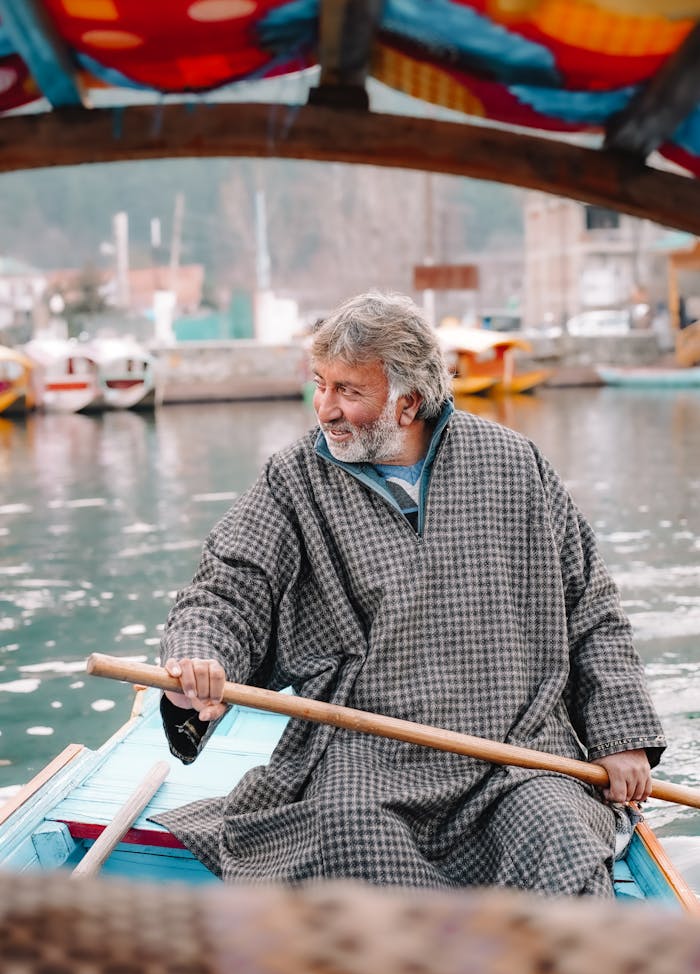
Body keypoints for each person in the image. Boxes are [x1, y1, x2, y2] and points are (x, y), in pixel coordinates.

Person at [154, 290, 665, 896]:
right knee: (345, 835)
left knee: (560, 838)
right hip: (366, 751)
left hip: (519, 751)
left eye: (349, 391)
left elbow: (592, 610)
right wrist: (199, 657)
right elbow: (229, 586)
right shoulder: (293, 478)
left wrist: (622, 738)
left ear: (409, 402)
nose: (325, 409)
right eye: (320, 384)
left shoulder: (514, 464)